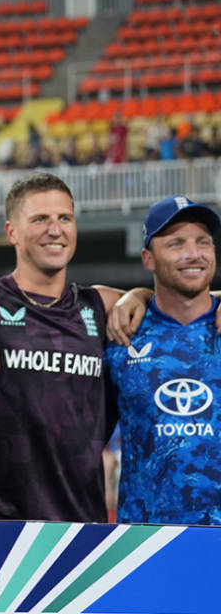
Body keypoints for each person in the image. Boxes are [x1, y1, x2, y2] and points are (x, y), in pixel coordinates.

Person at [0, 172, 121, 521]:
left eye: (65, 218)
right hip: (1, 523)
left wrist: (140, 293)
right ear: (11, 232)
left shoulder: (102, 305)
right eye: (40, 219)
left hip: (83, 522)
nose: (55, 229)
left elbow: (178, 306)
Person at [105, 197, 221, 525]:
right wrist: (135, 294)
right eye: (176, 243)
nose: (193, 254)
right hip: (146, 546)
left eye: (203, 242)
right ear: (148, 258)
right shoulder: (121, 335)